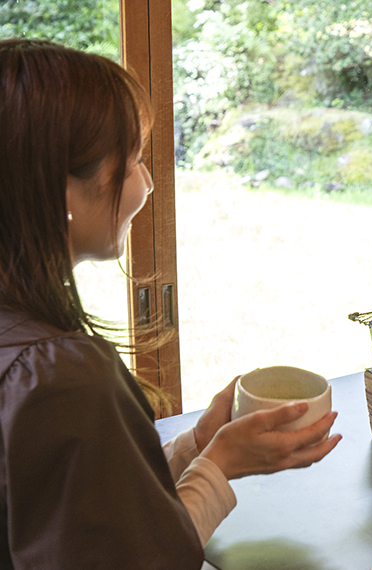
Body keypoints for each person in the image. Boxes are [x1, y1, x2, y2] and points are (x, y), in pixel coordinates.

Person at [0, 39, 342, 568]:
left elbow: (78, 510)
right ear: (62, 191)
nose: (149, 184)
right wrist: (220, 464)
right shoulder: (58, 377)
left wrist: (196, 446)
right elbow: (136, 557)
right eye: (133, 160)